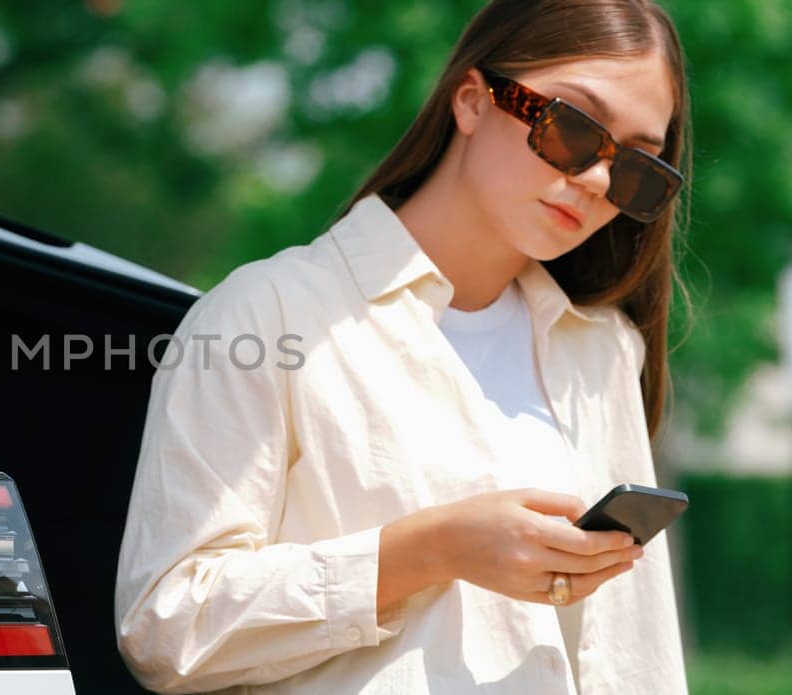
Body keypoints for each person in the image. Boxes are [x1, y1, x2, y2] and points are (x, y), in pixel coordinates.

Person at [113, 1, 692, 693]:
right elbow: (166, 626)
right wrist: (432, 548)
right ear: (473, 101)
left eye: (637, 169)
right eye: (572, 126)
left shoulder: (603, 351)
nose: (597, 182)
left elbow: (632, 651)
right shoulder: (268, 314)